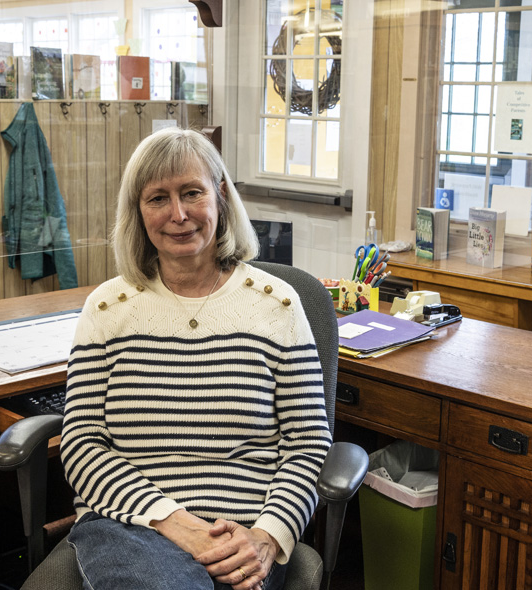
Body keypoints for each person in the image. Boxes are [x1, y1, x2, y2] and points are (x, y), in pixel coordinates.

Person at [60, 128, 332, 590]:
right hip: (132, 526)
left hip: (241, 534)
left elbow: (307, 444)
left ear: (220, 196)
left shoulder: (278, 306)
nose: (179, 214)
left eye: (192, 192)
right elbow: (82, 445)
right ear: (137, 211)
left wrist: (267, 537)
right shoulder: (107, 309)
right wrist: (175, 522)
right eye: (157, 199)